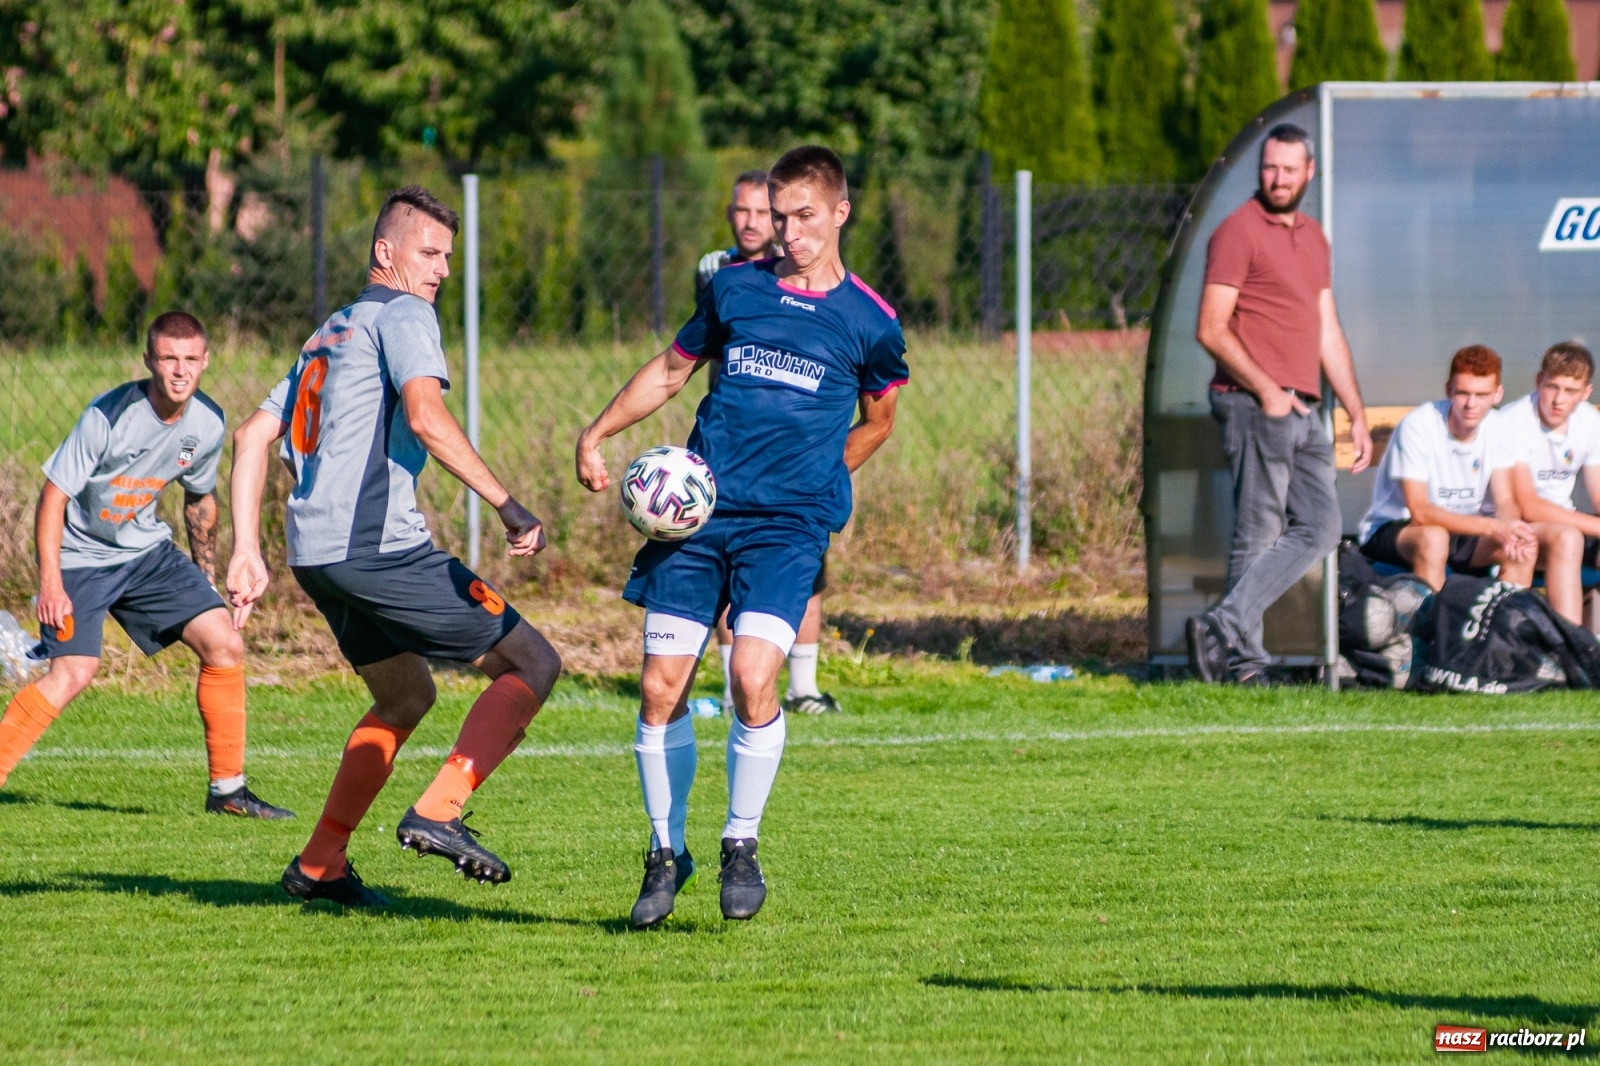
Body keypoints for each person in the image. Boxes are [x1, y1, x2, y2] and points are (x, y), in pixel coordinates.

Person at [577, 146, 906, 928]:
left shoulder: (872, 321)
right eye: (780, 216)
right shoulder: (733, 288)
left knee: (755, 677)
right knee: (661, 688)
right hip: (699, 517)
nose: (788, 233)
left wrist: (828, 477)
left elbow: (879, 419)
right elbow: (670, 369)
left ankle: (741, 841)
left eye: (804, 217)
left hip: (786, 530)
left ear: (839, 213)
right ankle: (664, 852)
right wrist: (595, 433)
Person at [228, 185, 563, 909]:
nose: (441, 269)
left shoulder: (331, 329)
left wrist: (246, 549)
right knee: (532, 660)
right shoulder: (406, 313)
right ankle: (439, 811)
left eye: (448, 256)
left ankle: (319, 863)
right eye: (430, 252)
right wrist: (508, 505)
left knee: (406, 695)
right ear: (387, 252)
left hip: (315, 554)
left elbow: (252, 435)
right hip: (376, 549)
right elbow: (427, 414)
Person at [0, 311, 292, 819]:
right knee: (73, 671)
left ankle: (228, 792)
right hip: (81, 558)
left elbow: (199, 500)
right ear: (149, 362)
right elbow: (53, 498)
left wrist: (206, 579)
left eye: (190, 360)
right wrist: (51, 583)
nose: (180, 371)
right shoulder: (108, 416)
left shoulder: (207, 423)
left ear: (205, 362)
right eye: (168, 358)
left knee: (223, 641)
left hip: (147, 555)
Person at [1187, 123, 1372, 686]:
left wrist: (1356, 411)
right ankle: (1243, 665)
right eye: (1270, 167)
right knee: (1259, 531)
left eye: (1290, 169)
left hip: (1306, 408)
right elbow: (1211, 328)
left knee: (1321, 527)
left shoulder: (1314, 237)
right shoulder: (1237, 232)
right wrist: (1267, 391)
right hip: (1253, 403)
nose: (1279, 178)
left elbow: (1326, 329)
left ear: (1309, 172)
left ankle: (1223, 627)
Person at [699, 170, 839, 716]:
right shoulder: (716, 270)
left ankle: (803, 686)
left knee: (805, 565)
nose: (754, 222)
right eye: (744, 211)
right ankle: (736, 687)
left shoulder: (817, 279)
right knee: (725, 563)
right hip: (731, 451)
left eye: (766, 213)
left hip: (796, 455)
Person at [1356, 345, 1540, 591]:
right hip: (1398, 530)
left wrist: (1509, 529)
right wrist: (1494, 527)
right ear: (1448, 390)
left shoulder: (1500, 427)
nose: (1471, 404)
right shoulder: (1418, 425)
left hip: (1464, 530)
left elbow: (1505, 501)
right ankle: (1435, 627)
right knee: (1434, 538)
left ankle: (1504, 626)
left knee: (1522, 548)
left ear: (1498, 395)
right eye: (1463, 393)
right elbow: (1420, 512)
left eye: (1482, 395)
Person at [1502, 341, 1597, 623]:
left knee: (1570, 535)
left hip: (1566, 522)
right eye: (1552, 386)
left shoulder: (1590, 422)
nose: (1559, 400)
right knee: (1567, 537)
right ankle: (1569, 648)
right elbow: (1528, 506)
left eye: (1571, 391)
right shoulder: (1513, 421)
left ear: (1586, 392)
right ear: (1538, 381)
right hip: (1517, 526)